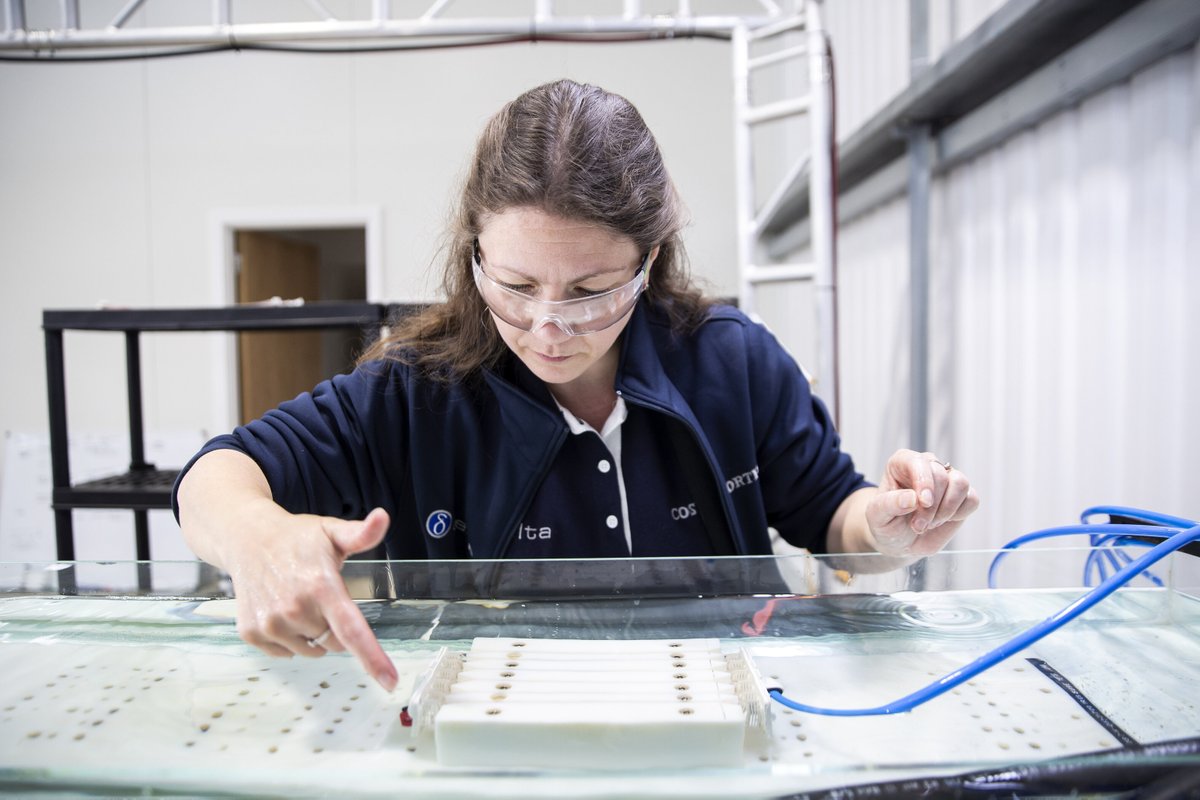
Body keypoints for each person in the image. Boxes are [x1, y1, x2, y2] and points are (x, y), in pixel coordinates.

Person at [173, 79, 979, 693]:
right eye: (516, 285)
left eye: (591, 290)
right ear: (475, 253)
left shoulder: (732, 362)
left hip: (720, 717)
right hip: (495, 732)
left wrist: (888, 526)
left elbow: (832, 517)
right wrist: (255, 536)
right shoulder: (413, 391)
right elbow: (215, 477)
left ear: (649, 261)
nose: (549, 327)